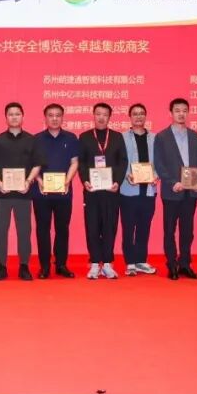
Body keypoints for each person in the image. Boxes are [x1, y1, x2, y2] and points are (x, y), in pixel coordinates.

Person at [0, 102, 44, 281]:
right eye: (10, 114)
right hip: (2, 193)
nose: (14, 117)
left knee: (24, 231)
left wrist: (28, 181)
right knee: (0, 231)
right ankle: (1, 266)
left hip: (23, 193)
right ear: (6, 117)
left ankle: (24, 266)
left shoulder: (31, 139)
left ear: (22, 116)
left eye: (17, 114)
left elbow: (37, 164)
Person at [153, 98, 197, 280]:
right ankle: (172, 264)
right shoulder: (162, 137)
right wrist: (172, 182)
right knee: (169, 230)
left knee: (187, 231)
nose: (181, 114)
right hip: (172, 191)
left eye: (184, 110)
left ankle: (185, 264)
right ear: (171, 113)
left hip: (191, 192)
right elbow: (159, 164)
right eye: (177, 110)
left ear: (188, 113)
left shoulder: (195, 136)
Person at [79, 102, 127, 279]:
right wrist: (85, 180)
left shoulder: (117, 137)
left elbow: (123, 161)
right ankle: (94, 263)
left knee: (109, 226)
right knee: (92, 226)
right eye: (98, 114)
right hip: (92, 190)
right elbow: (81, 162)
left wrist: (117, 182)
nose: (101, 117)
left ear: (109, 117)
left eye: (105, 114)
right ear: (93, 115)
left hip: (111, 190)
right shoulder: (84, 137)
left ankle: (107, 263)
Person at [32, 103, 79, 279]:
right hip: (41, 193)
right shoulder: (36, 139)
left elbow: (75, 162)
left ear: (62, 117)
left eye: (58, 115)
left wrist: (67, 182)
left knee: (62, 229)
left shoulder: (71, 138)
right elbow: (32, 165)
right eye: (50, 115)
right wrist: (39, 181)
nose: (54, 118)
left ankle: (61, 264)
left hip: (63, 193)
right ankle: (44, 266)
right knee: (42, 230)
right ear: (45, 118)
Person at [120, 103, 159, 276]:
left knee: (144, 226)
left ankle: (141, 260)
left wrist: (156, 175)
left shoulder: (155, 138)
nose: (138, 116)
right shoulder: (122, 138)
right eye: (135, 114)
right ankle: (130, 262)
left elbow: (160, 161)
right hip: (128, 190)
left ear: (146, 116)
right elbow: (118, 161)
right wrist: (126, 175)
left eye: (141, 113)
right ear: (130, 117)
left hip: (148, 190)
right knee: (128, 227)